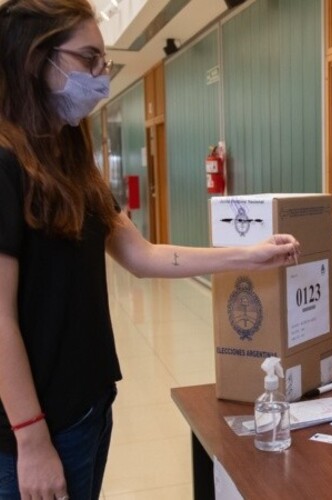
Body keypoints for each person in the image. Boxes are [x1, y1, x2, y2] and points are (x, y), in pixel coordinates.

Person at [0, 1, 300, 499]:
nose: (101, 76)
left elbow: (142, 255)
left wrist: (249, 255)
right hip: (33, 428)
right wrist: (31, 439)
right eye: (88, 59)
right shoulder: (5, 164)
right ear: (36, 58)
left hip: (89, 405)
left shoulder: (71, 158)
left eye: (104, 61)